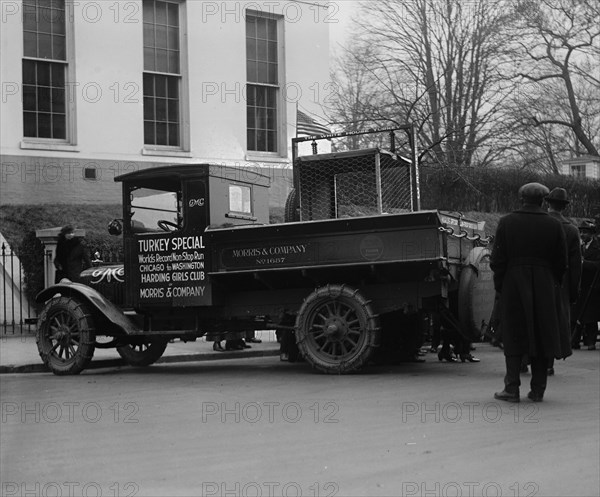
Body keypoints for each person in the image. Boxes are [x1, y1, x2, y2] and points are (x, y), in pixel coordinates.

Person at [490, 182, 569, 403]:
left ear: (521, 198)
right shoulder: (554, 225)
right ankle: (538, 389)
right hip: (545, 284)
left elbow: (497, 260)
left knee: (514, 333)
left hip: (514, 283)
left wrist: (502, 285)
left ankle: (511, 388)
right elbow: (561, 262)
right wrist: (553, 283)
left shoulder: (507, 222)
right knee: (543, 335)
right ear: (544, 200)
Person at [544, 187, 582, 374]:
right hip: (562, 284)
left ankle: (525, 358)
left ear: (547, 203)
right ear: (564, 207)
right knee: (555, 322)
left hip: (538, 279)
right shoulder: (572, 230)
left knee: (534, 317)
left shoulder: (539, 223)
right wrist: (573, 292)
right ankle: (549, 362)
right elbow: (576, 267)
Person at [575, 220, 600, 350]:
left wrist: (584, 264)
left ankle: (590, 341)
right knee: (577, 313)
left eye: (585, 232)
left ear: (592, 234)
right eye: (581, 232)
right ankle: (575, 340)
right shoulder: (579, 247)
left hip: (592, 287)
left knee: (591, 316)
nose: (582, 234)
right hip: (581, 286)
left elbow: (598, 265)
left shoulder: (597, 248)